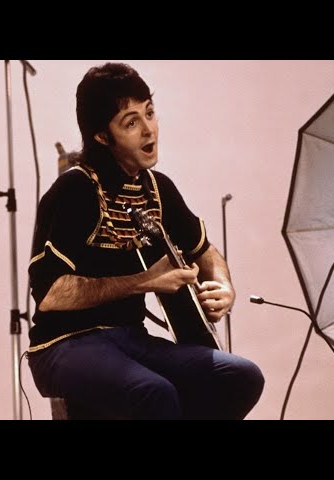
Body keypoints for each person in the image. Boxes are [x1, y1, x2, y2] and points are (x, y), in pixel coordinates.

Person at [27, 62, 264, 420]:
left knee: (241, 377)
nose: (149, 129)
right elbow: (50, 294)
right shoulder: (75, 189)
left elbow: (205, 251)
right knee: (153, 391)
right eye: (131, 122)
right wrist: (144, 281)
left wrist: (223, 286)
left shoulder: (157, 188)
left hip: (130, 338)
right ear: (102, 136)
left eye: (150, 113)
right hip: (62, 345)